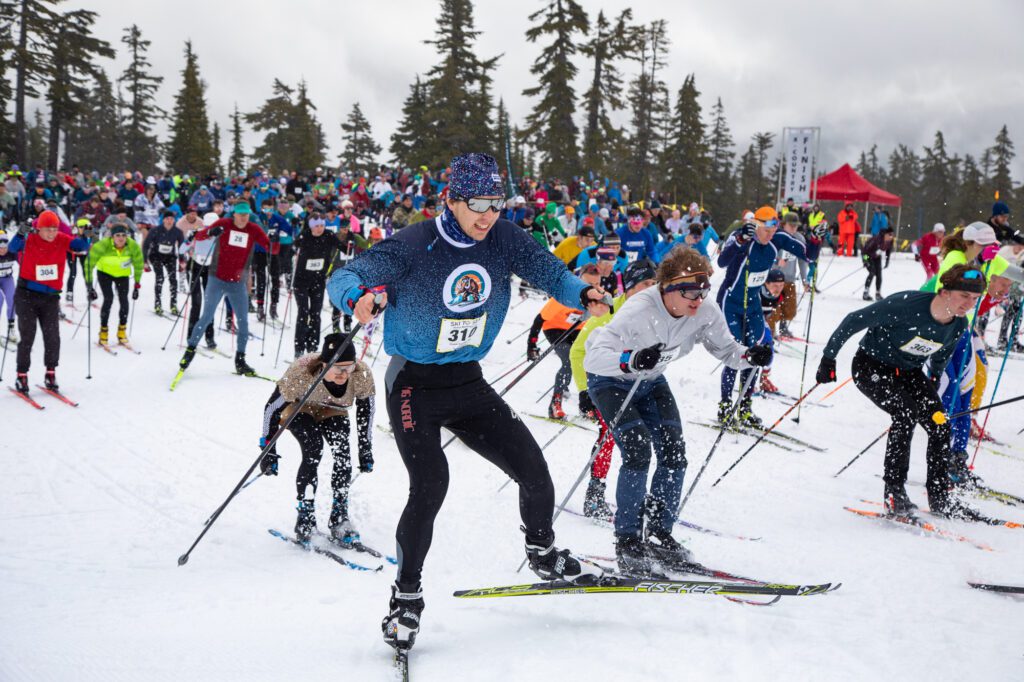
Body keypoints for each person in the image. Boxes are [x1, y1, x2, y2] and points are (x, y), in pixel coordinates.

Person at [327, 152, 608, 652]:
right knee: (432, 484)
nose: (487, 214)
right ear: (451, 200)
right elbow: (346, 276)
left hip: (469, 382)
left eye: (495, 204)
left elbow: (549, 271)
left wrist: (580, 294)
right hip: (413, 383)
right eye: (476, 203)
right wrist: (358, 298)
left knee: (534, 469)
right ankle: (406, 598)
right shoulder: (415, 243)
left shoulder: (502, 237)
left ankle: (542, 552)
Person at [583, 247, 771, 574]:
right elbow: (593, 358)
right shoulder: (638, 310)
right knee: (638, 450)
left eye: (704, 291)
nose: (698, 300)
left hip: (651, 380)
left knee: (673, 452)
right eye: (690, 292)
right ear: (667, 287)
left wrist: (750, 357)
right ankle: (627, 540)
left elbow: (727, 350)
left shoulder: (705, 310)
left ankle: (657, 532)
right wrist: (631, 359)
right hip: (611, 381)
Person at [816, 265, 985, 519]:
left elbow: (942, 352)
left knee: (939, 422)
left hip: (908, 372)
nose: (969, 304)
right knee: (906, 413)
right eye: (964, 296)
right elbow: (854, 320)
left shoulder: (958, 324)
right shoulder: (905, 305)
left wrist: (935, 376)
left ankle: (940, 497)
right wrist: (829, 359)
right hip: (871, 366)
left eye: (974, 298)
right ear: (945, 291)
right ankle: (894, 492)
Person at [258, 333, 375, 543]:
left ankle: (339, 516)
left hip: (334, 410)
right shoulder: (301, 372)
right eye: (337, 368)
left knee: (342, 453)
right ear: (323, 364)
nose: (343, 374)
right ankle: (306, 514)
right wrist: (268, 450)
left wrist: (365, 449)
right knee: (313, 448)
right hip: (300, 407)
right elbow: (271, 409)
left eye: (348, 368)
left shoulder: (361, 374)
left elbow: (366, 412)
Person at [569, 259, 658, 520]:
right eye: (645, 284)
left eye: (654, 284)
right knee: (609, 438)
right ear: (630, 287)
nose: (651, 289)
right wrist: (584, 391)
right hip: (603, 385)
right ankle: (594, 495)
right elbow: (577, 351)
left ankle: (638, 496)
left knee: (644, 438)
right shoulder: (608, 313)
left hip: (634, 384)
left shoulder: (652, 313)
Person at [716, 206, 806, 427]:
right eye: (766, 229)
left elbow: (807, 253)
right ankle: (725, 406)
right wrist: (738, 240)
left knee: (757, 354)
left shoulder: (775, 243)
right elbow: (722, 262)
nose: (770, 234)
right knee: (736, 354)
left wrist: (814, 240)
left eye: (774, 229)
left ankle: (745, 407)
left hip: (753, 306)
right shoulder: (744, 239)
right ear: (756, 225)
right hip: (732, 304)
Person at [177, 201, 270, 376]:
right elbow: (201, 235)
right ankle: (189, 351)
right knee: (206, 316)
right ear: (234, 214)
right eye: (240, 214)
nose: (243, 218)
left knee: (243, 322)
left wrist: (273, 241)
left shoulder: (253, 228)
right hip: (216, 279)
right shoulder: (224, 224)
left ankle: (240, 360)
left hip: (237, 283)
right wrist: (211, 232)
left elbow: (269, 245)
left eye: (246, 214)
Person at [7, 210, 90, 393]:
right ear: (39, 228)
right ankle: (22, 375)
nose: (51, 233)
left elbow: (79, 246)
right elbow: (12, 249)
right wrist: (21, 232)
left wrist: (85, 236)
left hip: (51, 297)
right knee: (28, 335)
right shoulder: (30, 238)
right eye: (47, 229)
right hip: (26, 295)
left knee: (52, 337)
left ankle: (50, 372)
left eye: (54, 229)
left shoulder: (61, 238)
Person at [527, 263, 603, 419]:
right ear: (579, 280)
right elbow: (539, 320)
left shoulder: (601, 296)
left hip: (578, 330)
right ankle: (555, 404)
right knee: (569, 362)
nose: (594, 289)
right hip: (554, 329)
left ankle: (588, 406)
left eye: (597, 284)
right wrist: (532, 344)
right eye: (589, 284)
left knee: (590, 363)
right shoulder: (567, 295)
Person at [84, 223, 145, 347]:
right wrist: (90, 286)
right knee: (109, 298)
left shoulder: (132, 245)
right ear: (112, 237)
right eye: (117, 235)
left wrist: (137, 284)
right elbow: (88, 265)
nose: (121, 238)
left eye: (123, 235)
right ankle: (103, 332)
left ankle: (122, 331)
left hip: (122, 275)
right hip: (105, 273)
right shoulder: (102, 245)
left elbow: (139, 264)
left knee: (124, 300)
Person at [291, 215, 339, 357]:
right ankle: (299, 348)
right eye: (316, 226)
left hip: (318, 281)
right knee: (303, 313)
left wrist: (349, 240)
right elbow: (292, 247)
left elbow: (343, 247)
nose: (319, 229)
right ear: (311, 226)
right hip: (301, 282)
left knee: (316, 314)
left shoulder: (328, 235)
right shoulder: (305, 235)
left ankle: (312, 346)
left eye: (322, 226)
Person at [766, 212, 804, 337]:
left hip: (789, 279)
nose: (793, 228)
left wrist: (805, 279)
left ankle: (783, 328)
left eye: (795, 226)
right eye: (790, 225)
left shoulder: (799, 239)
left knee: (789, 309)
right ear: (783, 225)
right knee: (772, 309)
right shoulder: (777, 237)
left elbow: (802, 260)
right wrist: (776, 262)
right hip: (774, 280)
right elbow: (768, 256)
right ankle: (770, 332)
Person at [143, 210, 185, 315]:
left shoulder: (177, 232)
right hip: (156, 255)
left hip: (170, 257)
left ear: (174, 220)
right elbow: (146, 245)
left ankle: (173, 305)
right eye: (167, 219)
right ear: (163, 220)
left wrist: (182, 260)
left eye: (171, 219)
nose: (169, 221)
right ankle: (157, 304)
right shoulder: (155, 230)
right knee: (160, 278)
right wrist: (145, 261)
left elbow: (182, 247)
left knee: (173, 280)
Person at [758, 269, 785, 394]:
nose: (778, 289)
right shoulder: (758, 292)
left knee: (769, 348)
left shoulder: (779, 295)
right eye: (775, 285)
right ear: (766, 283)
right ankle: (747, 381)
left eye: (781, 285)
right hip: (748, 321)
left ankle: (764, 379)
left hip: (761, 321)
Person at [861, 227, 894, 301]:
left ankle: (878, 293)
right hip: (868, 256)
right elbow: (865, 251)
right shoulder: (876, 240)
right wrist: (865, 261)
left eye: (892, 235)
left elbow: (888, 251)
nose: (891, 237)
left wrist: (887, 261)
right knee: (872, 272)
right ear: (885, 235)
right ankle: (865, 293)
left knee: (879, 274)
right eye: (890, 235)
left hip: (876, 257)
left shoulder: (890, 241)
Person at [0, 235, 17, 344]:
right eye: (0, 248)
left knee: (12, 300)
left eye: (5, 247)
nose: (2, 250)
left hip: (7, 278)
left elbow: (23, 260)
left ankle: (11, 328)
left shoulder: (11, 253)